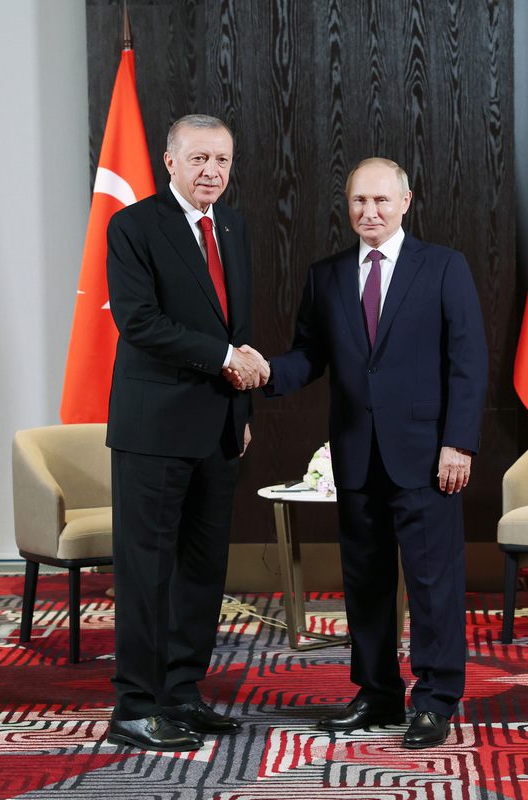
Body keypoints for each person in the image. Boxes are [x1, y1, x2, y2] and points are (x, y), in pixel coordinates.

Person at [239, 157, 488, 749]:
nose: (369, 212)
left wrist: (459, 442)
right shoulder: (325, 276)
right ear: (346, 206)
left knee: (433, 583)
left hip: (428, 456)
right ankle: (377, 693)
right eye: (358, 202)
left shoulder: (443, 268)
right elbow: (308, 355)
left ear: (406, 201)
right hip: (355, 455)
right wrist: (265, 371)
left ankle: (434, 700)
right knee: (366, 584)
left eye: (380, 201)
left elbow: (468, 362)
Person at [105, 114, 268, 752]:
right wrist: (228, 362)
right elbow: (140, 322)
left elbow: (239, 323)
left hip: (218, 427)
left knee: (201, 571)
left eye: (222, 161)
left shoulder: (232, 225)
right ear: (168, 161)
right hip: (154, 429)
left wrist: (242, 412)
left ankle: (181, 693)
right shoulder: (134, 226)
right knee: (147, 571)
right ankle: (135, 705)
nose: (211, 172)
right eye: (199, 159)